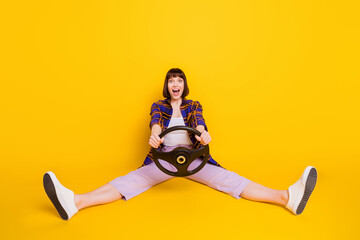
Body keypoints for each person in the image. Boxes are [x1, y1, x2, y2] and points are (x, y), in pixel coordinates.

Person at [43, 68, 317, 220]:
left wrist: (203, 134)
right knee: (130, 181)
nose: (175, 84)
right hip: (164, 161)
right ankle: (75, 202)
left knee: (230, 180)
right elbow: (155, 122)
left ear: (184, 85)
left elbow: (199, 122)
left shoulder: (194, 105)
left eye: (179, 80)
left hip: (194, 159)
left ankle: (287, 198)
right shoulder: (158, 106)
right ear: (167, 86)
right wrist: (154, 135)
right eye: (171, 81)